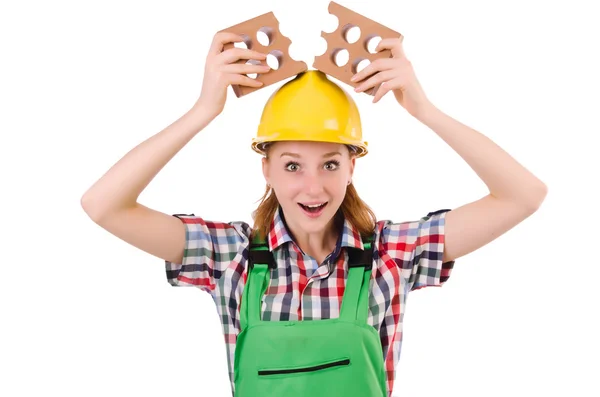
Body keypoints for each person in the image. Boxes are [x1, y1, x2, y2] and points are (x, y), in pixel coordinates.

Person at [81, 31, 547, 396]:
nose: (312, 187)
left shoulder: (390, 253)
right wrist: (204, 110)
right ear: (266, 168)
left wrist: (423, 109)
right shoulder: (232, 257)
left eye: (329, 163)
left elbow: (522, 196)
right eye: (291, 166)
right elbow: (103, 206)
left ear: (352, 165)